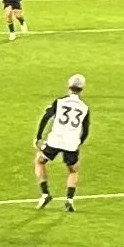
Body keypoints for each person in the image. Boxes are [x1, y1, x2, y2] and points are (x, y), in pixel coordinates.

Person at [34, 74, 90, 212]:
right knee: (73, 170)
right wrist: (78, 143)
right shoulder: (84, 107)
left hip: (55, 140)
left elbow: (46, 117)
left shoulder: (59, 102)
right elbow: (86, 130)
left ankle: (45, 194)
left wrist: (38, 137)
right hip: (71, 144)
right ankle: (69, 200)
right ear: (82, 88)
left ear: (69, 86)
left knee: (39, 161)